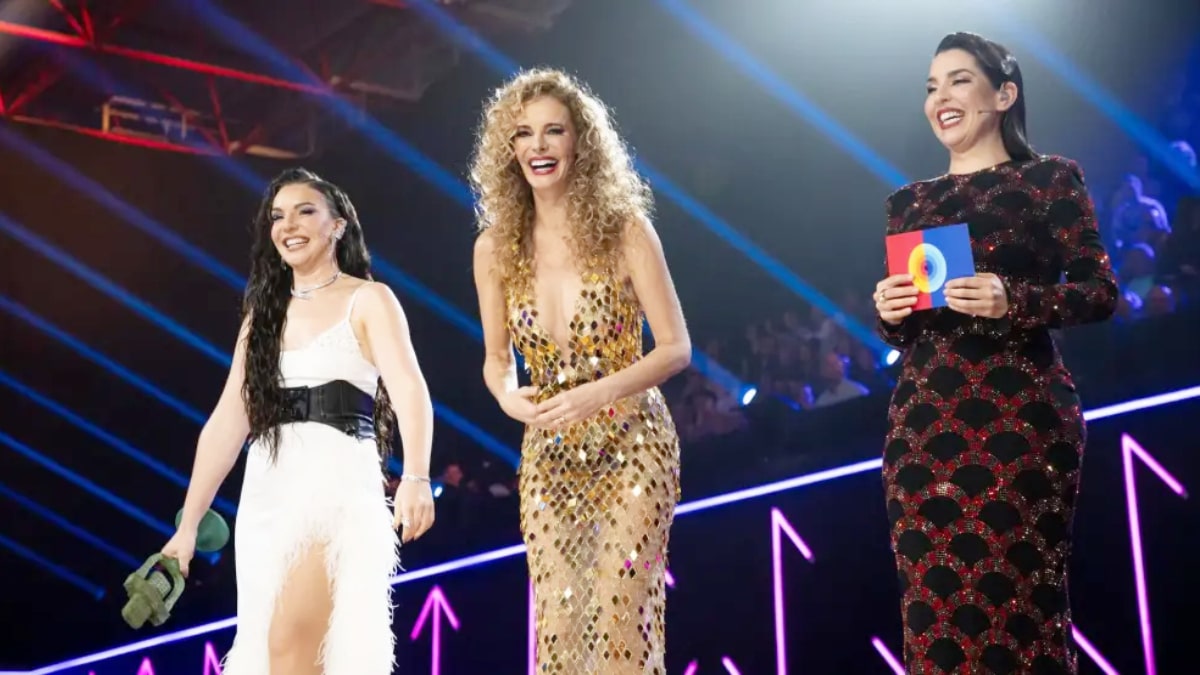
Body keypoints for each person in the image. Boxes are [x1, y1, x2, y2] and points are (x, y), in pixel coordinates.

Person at [872, 33, 1117, 674]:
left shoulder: (1048, 179)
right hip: (924, 426)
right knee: (934, 613)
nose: (940, 98)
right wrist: (890, 314)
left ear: (1003, 94)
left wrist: (1017, 300)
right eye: (931, 86)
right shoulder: (909, 204)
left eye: (957, 80)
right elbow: (910, 331)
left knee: (1019, 604)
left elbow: (1099, 291)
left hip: (1021, 418)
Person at [160, 168, 436, 675]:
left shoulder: (369, 299)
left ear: (337, 225)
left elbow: (409, 387)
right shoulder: (261, 316)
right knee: (267, 650)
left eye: (305, 210)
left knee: (293, 642)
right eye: (277, 216)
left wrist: (416, 475)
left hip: (333, 486)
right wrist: (189, 524)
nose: (289, 224)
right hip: (266, 493)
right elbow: (227, 420)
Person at [469, 68, 691, 673]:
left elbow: (675, 348)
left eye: (553, 131)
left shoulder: (626, 230)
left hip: (632, 442)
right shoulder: (494, 248)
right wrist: (510, 397)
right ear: (508, 150)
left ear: (579, 142)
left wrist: (600, 394)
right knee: (559, 620)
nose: (538, 146)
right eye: (523, 134)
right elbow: (495, 360)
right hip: (549, 451)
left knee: (621, 611)